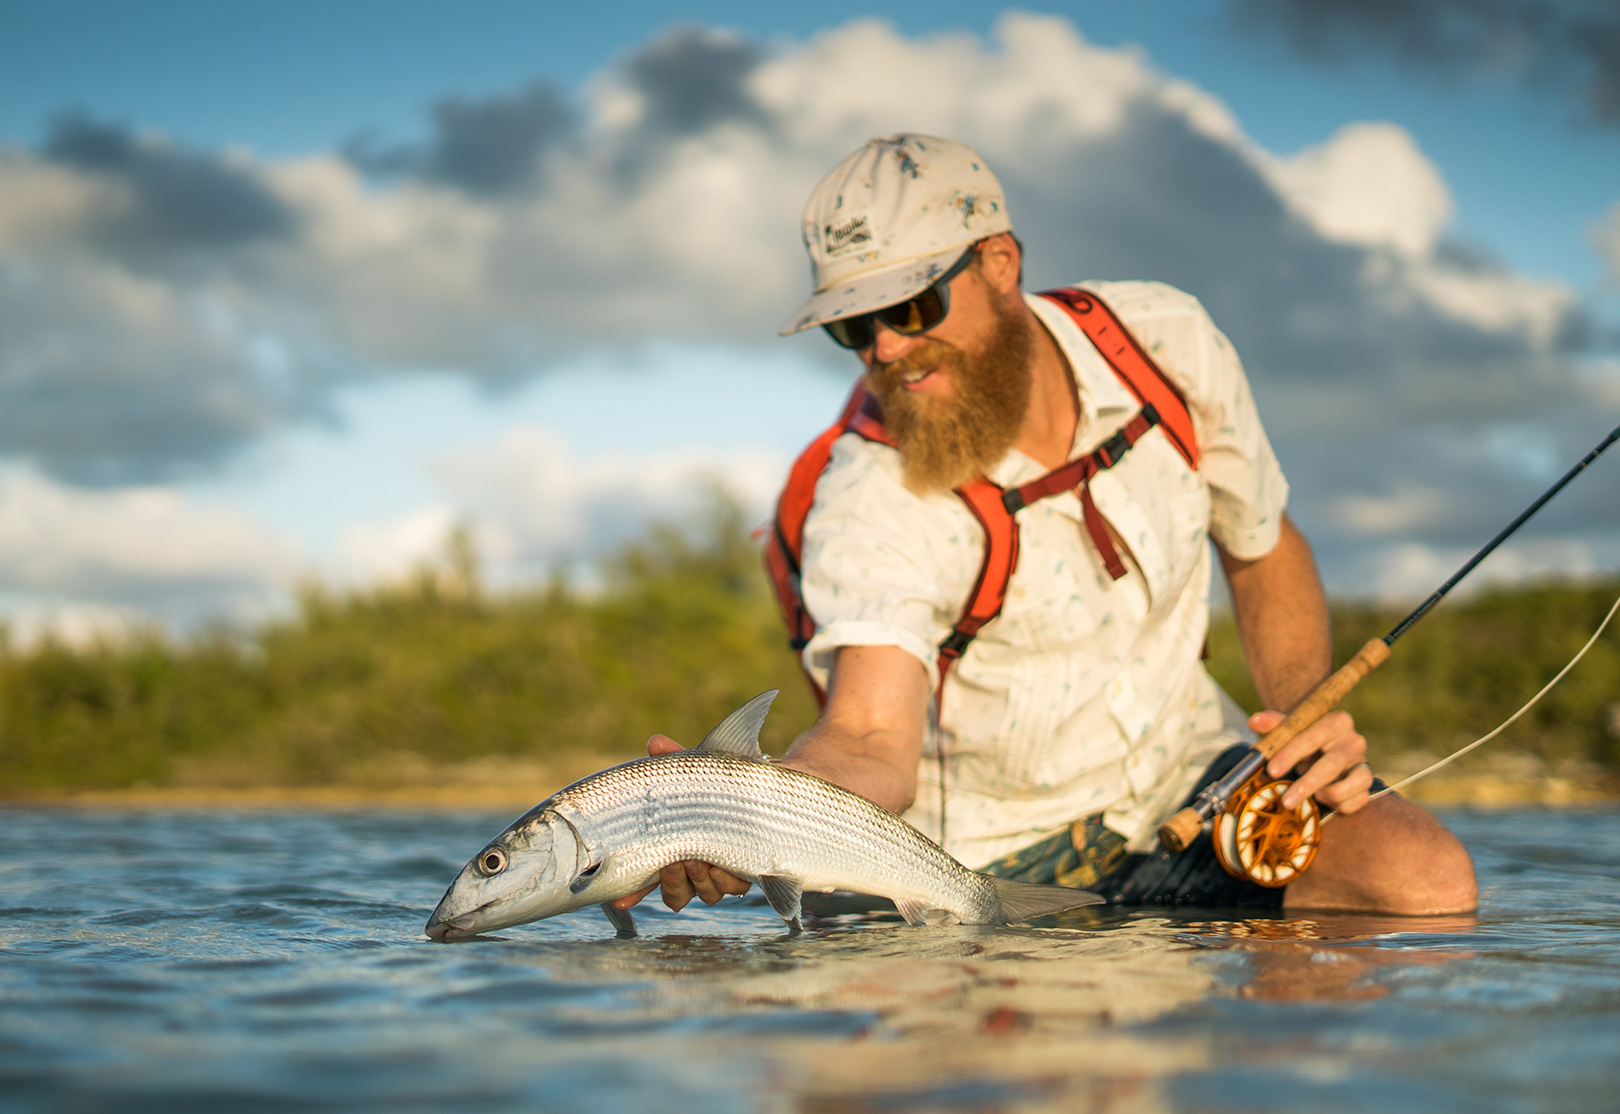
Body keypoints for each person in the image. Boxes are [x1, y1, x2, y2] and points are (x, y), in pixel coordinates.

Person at [620, 133, 1477, 917]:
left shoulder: (1169, 344)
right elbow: (869, 734)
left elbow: (1263, 546)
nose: (883, 348)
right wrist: (739, 815)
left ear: (998, 263)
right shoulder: (866, 490)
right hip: (988, 859)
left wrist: (1297, 718)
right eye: (851, 325)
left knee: (1424, 882)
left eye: (910, 307)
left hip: (1192, 779)